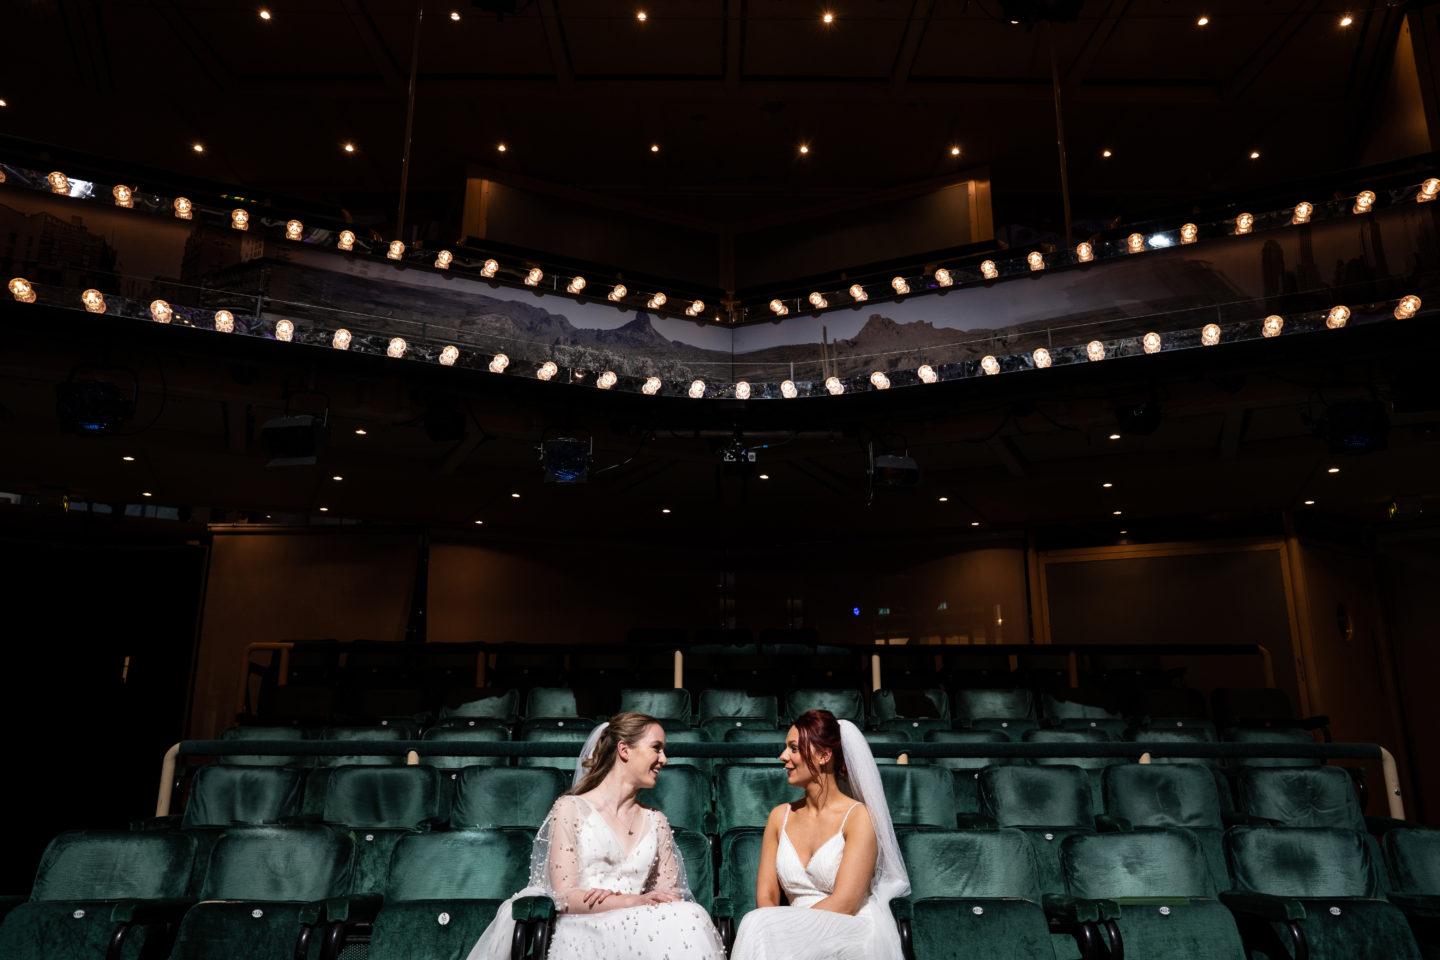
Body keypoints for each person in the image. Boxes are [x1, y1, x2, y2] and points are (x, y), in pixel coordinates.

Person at [466, 712, 726, 960]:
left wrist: (636, 902)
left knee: (688, 915)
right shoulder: (570, 809)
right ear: (624, 750)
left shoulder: (656, 821)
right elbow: (565, 896)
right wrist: (627, 900)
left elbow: (669, 895)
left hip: (642, 922)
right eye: (656, 748)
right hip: (584, 922)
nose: (664, 759)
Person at [729, 710, 910, 960]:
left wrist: (786, 928)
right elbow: (767, 896)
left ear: (824, 755)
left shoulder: (859, 817)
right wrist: (781, 929)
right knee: (756, 922)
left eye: (794, 748)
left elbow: (845, 902)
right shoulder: (778, 817)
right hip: (791, 927)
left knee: (757, 925)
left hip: (848, 925)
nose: (783, 757)